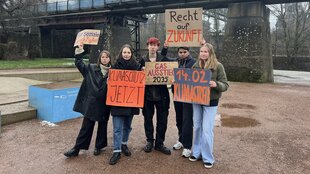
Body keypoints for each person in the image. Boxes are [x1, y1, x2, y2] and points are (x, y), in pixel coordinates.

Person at [64, 45, 111, 157]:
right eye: (103, 57)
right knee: (86, 127)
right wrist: (79, 51)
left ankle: (99, 146)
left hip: (105, 104)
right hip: (92, 104)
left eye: (107, 57)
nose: (104, 59)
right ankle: (77, 148)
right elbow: (79, 63)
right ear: (100, 59)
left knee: (102, 126)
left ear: (110, 59)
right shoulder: (90, 68)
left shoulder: (114, 73)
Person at [189, 43, 229, 169]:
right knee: (196, 127)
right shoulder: (195, 66)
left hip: (211, 102)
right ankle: (196, 152)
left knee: (207, 130)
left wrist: (215, 84)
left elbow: (225, 85)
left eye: (206, 51)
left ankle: (207, 157)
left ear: (210, 53)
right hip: (196, 100)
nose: (203, 53)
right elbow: (189, 82)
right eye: (201, 51)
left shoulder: (218, 66)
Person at [109, 44, 141, 165]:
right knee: (117, 128)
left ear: (131, 54)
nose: (126, 54)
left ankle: (124, 144)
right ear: (121, 54)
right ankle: (116, 151)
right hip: (117, 102)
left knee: (127, 126)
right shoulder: (115, 66)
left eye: (128, 53)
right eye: (124, 52)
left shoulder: (137, 67)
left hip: (131, 102)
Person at [161, 44, 196, 158]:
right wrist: (165, 48)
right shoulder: (176, 61)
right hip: (177, 94)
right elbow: (163, 58)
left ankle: (187, 146)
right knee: (179, 118)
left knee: (187, 120)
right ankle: (181, 139)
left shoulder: (193, 63)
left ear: (188, 52)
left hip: (188, 95)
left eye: (184, 52)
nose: (182, 54)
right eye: (180, 52)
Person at [140, 37, 171, 155]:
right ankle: (150, 141)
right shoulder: (142, 60)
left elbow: (173, 68)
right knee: (147, 120)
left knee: (162, 120)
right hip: (147, 96)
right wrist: (140, 71)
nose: (152, 47)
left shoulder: (164, 59)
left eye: (155, 45)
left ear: (158, 47)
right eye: (150, 44)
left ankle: (159, 143)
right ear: (147, 46)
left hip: (161, 96)